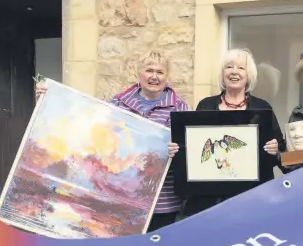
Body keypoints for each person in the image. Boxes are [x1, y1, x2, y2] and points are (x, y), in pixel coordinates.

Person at [35, 50, 190, 231]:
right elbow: (89, 130)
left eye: (160, 72)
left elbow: (186, 150)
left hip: (162, 202)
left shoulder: (180, 107)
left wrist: (178, 149)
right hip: (122, 201)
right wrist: (49, 99)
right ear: (138, 73)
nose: (154, 76)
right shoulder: (118, 104)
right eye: (149, 70)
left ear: (166, 77)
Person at [168, 48, 286, 216]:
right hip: (208, 201)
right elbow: (194, 150)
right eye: (229, 67)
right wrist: (179, 149)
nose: (234, 72)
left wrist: (274, 151)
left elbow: (281, 152)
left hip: (251, 201)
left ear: (249, 75)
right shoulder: (205, 106)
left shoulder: (262, 108)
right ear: (222, 73)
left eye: (241, 68)